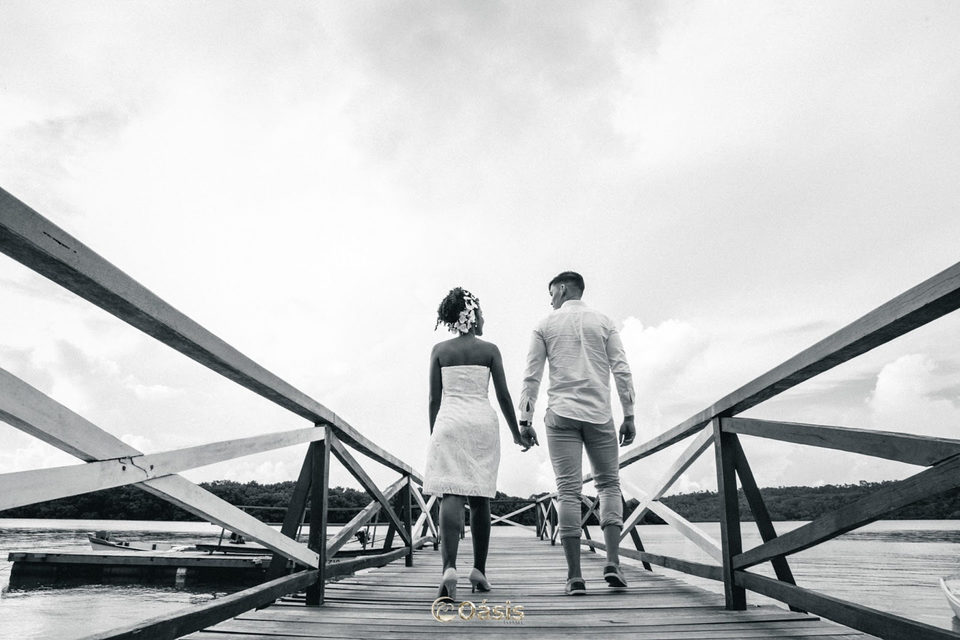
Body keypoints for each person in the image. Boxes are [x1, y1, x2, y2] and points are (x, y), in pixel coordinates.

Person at [518, 271, 636, 595]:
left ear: (562, 288)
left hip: (561, 415)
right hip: (599, 415)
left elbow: (532, 375)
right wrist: (629, 414)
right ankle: (613, 563)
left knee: (567, 492)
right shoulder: (604, 322)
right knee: (609, 485)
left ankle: (575, 577)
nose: (550, 300)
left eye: (551, 293)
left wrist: (525, 419)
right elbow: (621, 370)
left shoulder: (544, 325)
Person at [423, 287, 533, 601]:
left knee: (451, 493)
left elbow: (433, 399)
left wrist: (436, 434)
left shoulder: (439, 351)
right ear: (470, 316)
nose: (483, 318)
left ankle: (449, 569)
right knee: (481, 497)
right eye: (481, 313)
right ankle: (479, 570)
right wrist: (517, 433)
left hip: (449, 423)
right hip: (482, 423)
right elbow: (503, 396)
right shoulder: (490, 350)